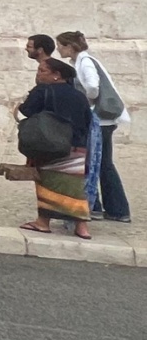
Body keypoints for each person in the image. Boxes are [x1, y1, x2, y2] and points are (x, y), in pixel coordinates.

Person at [14, 58, 94, 239]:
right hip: (77, 146)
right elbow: (87, 120)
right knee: (75, 187)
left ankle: (43, 222)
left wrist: (18, 106)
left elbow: (26, 111)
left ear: (56, 75)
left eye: (42, 71)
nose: (38, 74)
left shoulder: (42, 90)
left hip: (50, 144)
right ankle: (82, 227)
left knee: (47, 184)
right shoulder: (79, 95)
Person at [56, 31, 131, 223]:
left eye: (61, 45)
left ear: (70, 47)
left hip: (100, 121)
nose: (59, 49)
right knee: (102, 163)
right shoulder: (81, 61)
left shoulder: (85, 62)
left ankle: (108, 208)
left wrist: (85, 103)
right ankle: (114, 208)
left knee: (98, 163)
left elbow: (93, 87)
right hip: (103, 121)